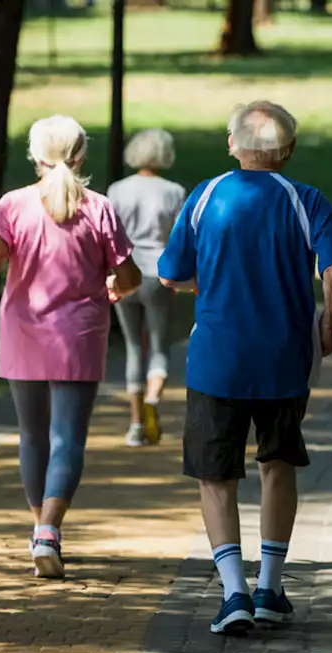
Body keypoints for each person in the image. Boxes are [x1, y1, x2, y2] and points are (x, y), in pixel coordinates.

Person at [158, 101, 332, 635]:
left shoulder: (204, 197)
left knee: (214, 475)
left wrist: (206, 284)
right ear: (287, 150)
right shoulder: (306, 200)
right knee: (277, 465)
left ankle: (233, 593)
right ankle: (270, 586)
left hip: (216, 360)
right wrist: (329, 324)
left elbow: (172, 274)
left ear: (232, 145)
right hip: (285, 358)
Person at [0, 115, 140, 580]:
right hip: (79, 337)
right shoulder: (98, 208)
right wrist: (118, 286)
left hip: (23, 335)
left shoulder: (12, 206)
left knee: (32, 436)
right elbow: (129, 276)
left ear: (35, 157)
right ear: (82, 155)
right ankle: (47, 531)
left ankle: (41, 530)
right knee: (67, 438)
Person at [107, 129, 187, 448]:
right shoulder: (174, 191)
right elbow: (180, 238)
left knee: (132, 347)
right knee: (158, 344)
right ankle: (154, 397)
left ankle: (136, 423)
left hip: (125, 272)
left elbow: (108, 233)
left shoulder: (116, 189)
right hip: (158, 274)